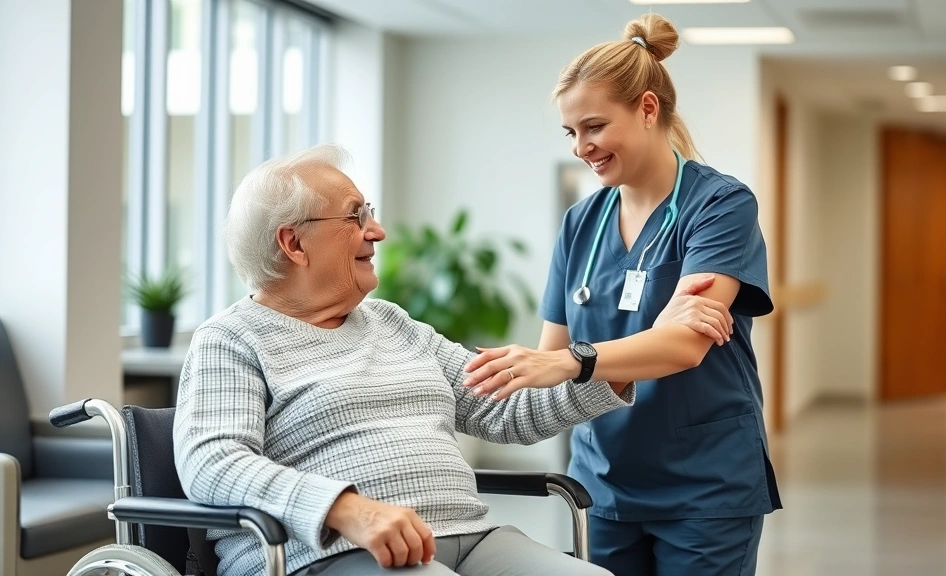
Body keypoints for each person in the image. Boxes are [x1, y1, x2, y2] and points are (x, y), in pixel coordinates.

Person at [172, 143, 734, 576]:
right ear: (293, 244)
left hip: (470, 535)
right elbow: (213, 461)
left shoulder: (392, 323)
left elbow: (500, 411)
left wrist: (629, 352)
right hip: (326, 550)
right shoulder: (232, 339)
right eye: (355, 216)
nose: (378, 230)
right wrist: (348, 510)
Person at [462, 14, 781, 576]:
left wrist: (577, 360)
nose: (582, 147)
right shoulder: (580, 223)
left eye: (594, 127)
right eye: (571, 133)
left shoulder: (719, 206)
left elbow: (683, 347)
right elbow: (553, 358)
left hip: (705, 485)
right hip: (603, 481)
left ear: (649, 109)